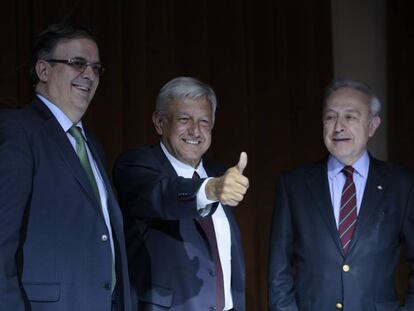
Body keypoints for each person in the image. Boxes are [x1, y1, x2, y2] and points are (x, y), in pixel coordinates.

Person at [0, 23, 132, 311]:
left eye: (96, 68)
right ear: (43, 71)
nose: (89, 75)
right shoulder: (18, 129)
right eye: (77, 63)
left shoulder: (93, 144)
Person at [268, 78, 414, 311]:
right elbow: (279, 269)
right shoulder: (293, 185)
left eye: (350, 117)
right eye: (330, 117)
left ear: (373, 125)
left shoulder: (401, 185)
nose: (338, 127)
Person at [113, 76, 249, 311]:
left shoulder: (219, 172)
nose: (195, 130)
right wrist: (210, 189)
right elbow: (162, 195)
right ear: (159, 122)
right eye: (184, 119)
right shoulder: (136, 166)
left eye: (204, 122)